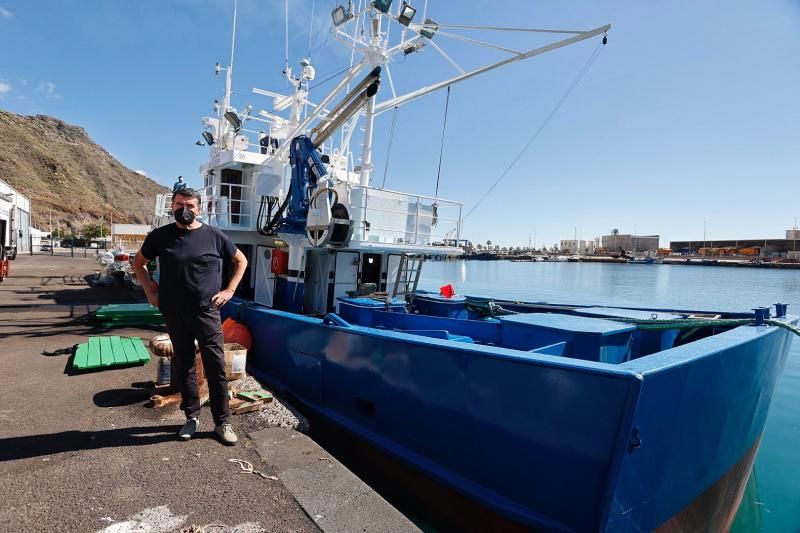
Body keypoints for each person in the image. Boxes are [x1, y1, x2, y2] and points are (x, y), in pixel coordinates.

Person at [132, 188, 248, 445]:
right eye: (179, 204)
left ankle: (222, 422)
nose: (184, 209)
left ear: (199, 208)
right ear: (171, 207)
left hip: (206, 312)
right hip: (174, 312)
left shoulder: (213, 236)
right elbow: (138, 263)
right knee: (184, 366)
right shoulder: (159, 236)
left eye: (190, 205)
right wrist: (151, 293)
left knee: (216, 367)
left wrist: (229, 290)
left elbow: (241, 260)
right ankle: (191, 417)